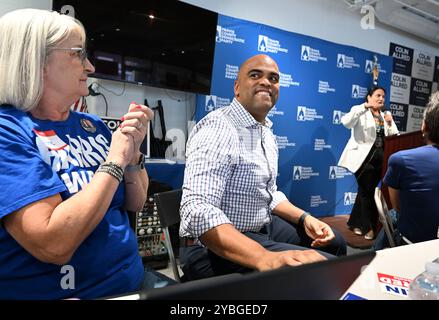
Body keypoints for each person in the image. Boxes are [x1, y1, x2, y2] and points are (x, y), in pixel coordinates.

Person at [0, 9, 173, 300]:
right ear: (36, 60)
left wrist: (133, 156)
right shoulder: (8, 131)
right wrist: (116, 159)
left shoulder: (91, 125)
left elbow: (137, 200)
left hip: (133, 282)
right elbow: (53, 243)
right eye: (78, 54)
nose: (90, 66)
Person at [179, 54, 346, 280]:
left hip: (262, 226)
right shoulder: (218, 127)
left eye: (273, 78)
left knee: (335, 242)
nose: (266, 82)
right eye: (255, 75)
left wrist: (306, 218)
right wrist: (264, 257)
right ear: (237, 87)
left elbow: (269, 193)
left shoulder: (264, 131)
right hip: (210, 247)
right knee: (327, 269)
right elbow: (196, 209)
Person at [338, 86, 399, 240]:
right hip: (363, 160)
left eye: (383, 96)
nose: (381, 99)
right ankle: (369, 228)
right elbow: (345, 122)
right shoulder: (360, 110)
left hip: (381, 159)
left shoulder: (385, 114)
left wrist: (390, 123)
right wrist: (364, 107)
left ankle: (354, 223)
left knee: (365, 192)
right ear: (369, 97)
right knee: (368, 193)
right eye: (378, 95)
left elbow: (395, 136)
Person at [381, 91, 439, 245]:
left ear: (424, 125)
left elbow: (398, 207)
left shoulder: (400, 160)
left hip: (411, 245)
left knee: (393, 217)